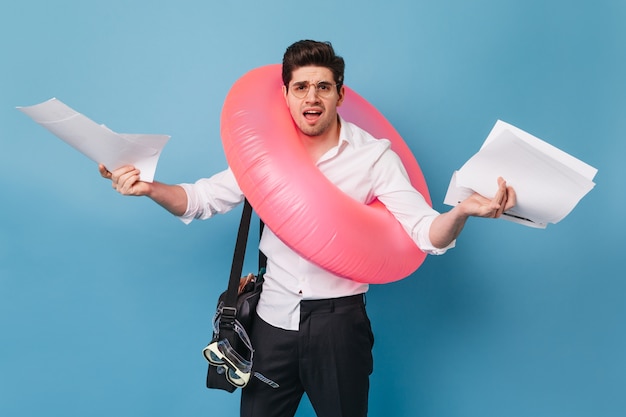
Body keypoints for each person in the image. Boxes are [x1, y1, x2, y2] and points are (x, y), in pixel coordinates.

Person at [99, 40, 516, 417]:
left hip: (339, 325)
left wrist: (461, 212)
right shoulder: (266, 153)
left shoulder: (373, 158)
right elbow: (202, 199)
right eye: (300, 87)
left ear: (340, 94)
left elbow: (425, 232)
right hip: (272, 323)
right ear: (285, 94)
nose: (311, 97)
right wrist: (149, 188)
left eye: (322, 86)